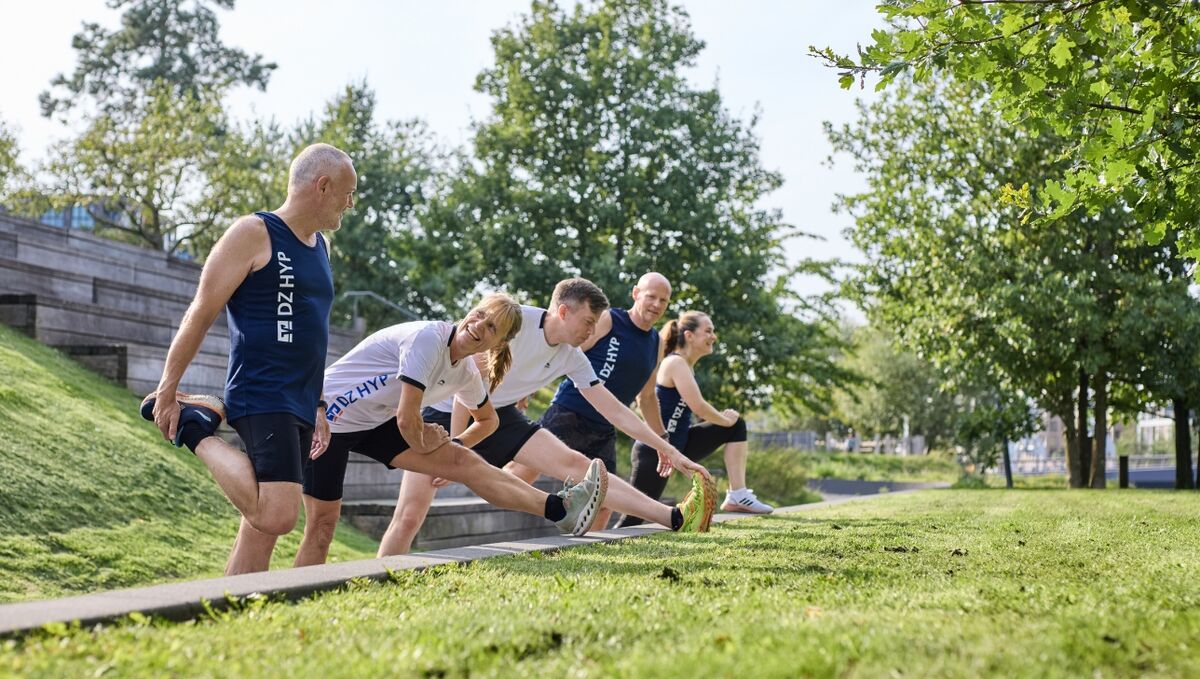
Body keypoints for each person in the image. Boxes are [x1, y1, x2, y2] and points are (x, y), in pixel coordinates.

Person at [139, 143, 356, 574]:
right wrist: (167, 390)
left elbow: (312, 330)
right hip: (263, 391)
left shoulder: (320, 248)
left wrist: (317, 403)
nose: (350, 204)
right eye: (348, 193)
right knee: (277, 514)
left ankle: (236, 611)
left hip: (298, 398)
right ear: (323, 185)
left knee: (260, 528)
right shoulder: (254, 232)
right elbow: (200, 311)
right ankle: (193, 427)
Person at [387, 278, 716, 554]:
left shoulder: (570, 356)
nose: (591, 332)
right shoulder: (516, 323)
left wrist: (668, 448)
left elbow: (614, 408)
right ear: (563, 311)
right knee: (410, 516)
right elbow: (466, 389)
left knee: (576, 464)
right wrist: (458, 447)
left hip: (499, 415)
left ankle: (675, 517)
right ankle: (378, 580)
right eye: (588, 322)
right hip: (444, 413)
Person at [289, 293, 607, 564]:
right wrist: (432, 443)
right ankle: (297, 597)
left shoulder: (467, 373)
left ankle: (561, 509)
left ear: (501, 342)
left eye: (492, 327)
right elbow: (406, 419)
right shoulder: (429, 338)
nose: (478, 326)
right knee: (323, 524)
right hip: (327, 416)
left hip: (373, 421)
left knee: (464, 462)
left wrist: (457, 444)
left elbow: (488, 420)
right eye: (479, 315)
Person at [508, 272, 672, 530]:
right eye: (651, 296)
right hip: (569, 411)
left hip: (605, 426)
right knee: (521, 473)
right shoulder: (609, 320)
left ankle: (584, 557)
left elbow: (648, 397)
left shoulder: (656, 342)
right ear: (636, 293)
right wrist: (524, 389)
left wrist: (662, 439)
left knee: (604, 501)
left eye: (664, 300)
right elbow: (563, 352)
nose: (657, 304)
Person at [617, 311, 773, 528]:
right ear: (689, 335)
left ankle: (738, 494)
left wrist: (727, 422)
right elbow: (697, 405)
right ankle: (601, 543)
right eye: (708, 331)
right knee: (633, 518)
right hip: (656, 450)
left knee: (737, 426)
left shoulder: (687, 366)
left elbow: (695, 411)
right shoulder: (675, 362)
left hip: (681, 445)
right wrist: (724, 420)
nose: (714, 336)